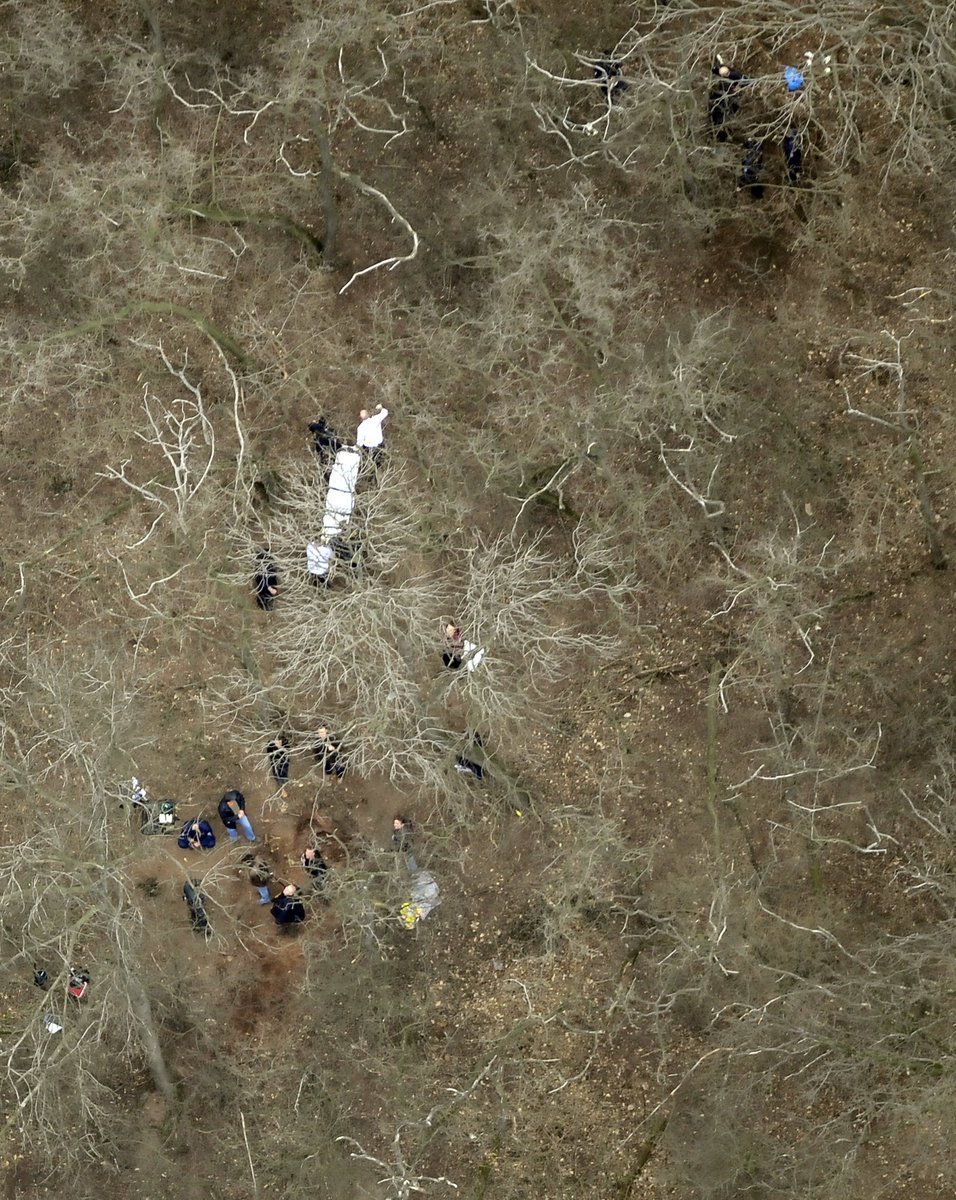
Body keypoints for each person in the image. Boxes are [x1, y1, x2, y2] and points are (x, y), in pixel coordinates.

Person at [710, 58, 748, 141]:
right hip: (729, 88)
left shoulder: (733, 75)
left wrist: (739, 86)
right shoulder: (721, 70)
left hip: (737, 88)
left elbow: (745, 80)